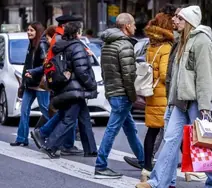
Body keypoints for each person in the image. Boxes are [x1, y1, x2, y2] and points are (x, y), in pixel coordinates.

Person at [136, 5, 212, 188]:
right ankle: (158, 182)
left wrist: (205, 105)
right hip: (179, 100)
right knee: (170, 140)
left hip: (196, 102)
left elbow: (206, 76)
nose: (175, 20)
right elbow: (175, 75)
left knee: (204, 142)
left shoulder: (202, 42)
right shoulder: (180, 41)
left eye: (180, 18)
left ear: (190, 22)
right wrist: (170, 99)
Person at [94, 13, 144, 179]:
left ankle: (144, 161)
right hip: (122, 93)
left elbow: (104, 71)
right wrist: (133, 96)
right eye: (134, 24)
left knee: (130, 129)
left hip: (113, 92)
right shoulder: (125, 45)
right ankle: (100, 166)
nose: (136, 27)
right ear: (127, 26)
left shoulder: (107, 44)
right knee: (112, 129)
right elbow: (129, 75)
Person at [40, 21, 98, 158]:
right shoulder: (76, 47)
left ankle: (91, 149)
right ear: (77, 33)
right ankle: (50, 146)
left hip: (66, 88)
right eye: (80, 30)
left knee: (84, 118)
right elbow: (82, 70)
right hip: (75, 89)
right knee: (68, 120)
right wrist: (91, 85)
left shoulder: (61, 45)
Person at [32, 15, 85, 156]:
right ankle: (44, 134)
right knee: (65, 112)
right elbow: (61, 59)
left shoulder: (60, 37)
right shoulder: (61, 38)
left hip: (61, 79)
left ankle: (66, 143)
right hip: (61, 80)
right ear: (67, 25)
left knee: (66, 112)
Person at [138, 12, 174, 182]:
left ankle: (146, 167)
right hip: (164, 95)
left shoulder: (151, 45)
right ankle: (190, 167)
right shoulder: (166, 47)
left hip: (151, 93)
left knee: (153, 130)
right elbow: (166, 73)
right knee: (172, 132)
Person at [10, 22, 50, 147]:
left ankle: (56, 135)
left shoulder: (42, 45)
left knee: (46, 111)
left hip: (40, 85)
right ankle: (21, 138)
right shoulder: (31, 45)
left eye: (31, 30)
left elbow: (45, 65)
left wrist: (33, 74)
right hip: (29, 84)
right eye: (28, 30)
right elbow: (27, 65)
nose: (28, 32)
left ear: (37, 31)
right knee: (24, 111)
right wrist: (23, 82)